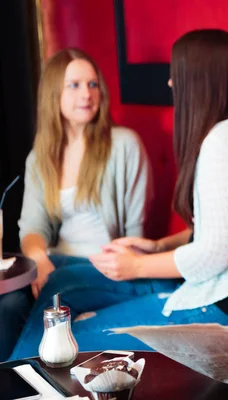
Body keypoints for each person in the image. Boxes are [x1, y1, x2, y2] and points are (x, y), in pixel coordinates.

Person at [10, 29, 228, 358]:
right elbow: (224, 231)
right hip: (226, 292)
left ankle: (19, 378)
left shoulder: (219, 143)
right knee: (53, 288)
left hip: (216, 301)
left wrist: (137, 265)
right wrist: (158, 245)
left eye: (175, 75)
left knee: (62, 337)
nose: (170, 84)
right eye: (75, 85)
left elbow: (210, 256)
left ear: (197, 79)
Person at [1, 48, 152, 361]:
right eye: (75, 85)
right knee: (9, 301)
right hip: (58, 262)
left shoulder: (124, 145)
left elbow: (136, 233)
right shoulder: (40, 157)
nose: (87, 93)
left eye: (93, 84)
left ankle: (21, 376)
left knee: (57, 287)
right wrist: (40, 259)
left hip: (107, 265)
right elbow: (32, 227)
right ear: (54, 93)